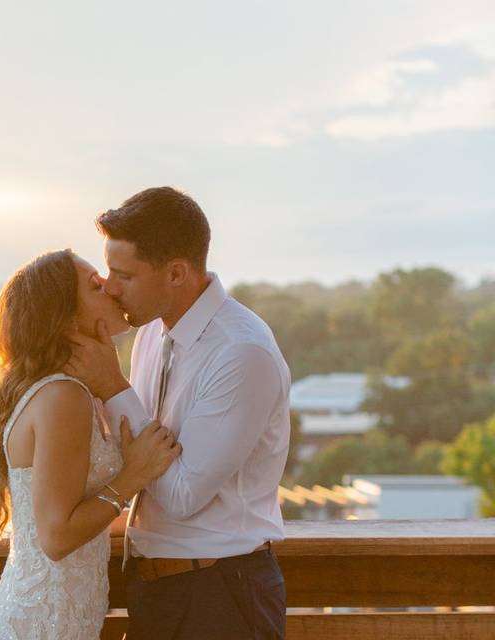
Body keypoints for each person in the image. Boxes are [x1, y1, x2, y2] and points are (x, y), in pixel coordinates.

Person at [67, 187, 291, 639]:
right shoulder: (151, 334)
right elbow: (137, 453)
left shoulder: (241, 353)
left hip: (219, 595)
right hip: (155, 590)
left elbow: (184, 496)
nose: (110, 286)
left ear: (175, 273)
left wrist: (112, 386)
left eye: (124, 275)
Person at [0, 248, 181, 640]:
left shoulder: (73, 391)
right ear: (63, 316)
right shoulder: (64, 397)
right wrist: (133, 476)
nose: (111, 289)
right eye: (96, 285)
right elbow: (56, 536)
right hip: (44, 627)